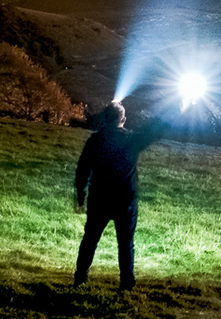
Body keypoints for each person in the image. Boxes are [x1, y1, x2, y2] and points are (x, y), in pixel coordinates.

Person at [73, 98, 173, 288]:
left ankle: (80, 278)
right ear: (123, 119)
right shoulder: (131, 140)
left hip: (99, 199)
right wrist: (177, 107)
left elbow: (83, 168)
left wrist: (80, 192)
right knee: (126, 243)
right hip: (125, 201)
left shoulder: (95, 140)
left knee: (90, 239)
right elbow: (155, 132)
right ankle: (126, 283)